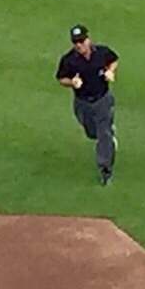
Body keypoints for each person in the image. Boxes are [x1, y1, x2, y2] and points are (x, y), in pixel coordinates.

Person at [55, 25, 119, 185]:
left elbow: (113, 60)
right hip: (82, 103)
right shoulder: (69, 60)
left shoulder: (101, 53)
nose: (79, 45)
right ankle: (108, 136)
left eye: (82, 41)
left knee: (103, 134)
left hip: (102, 100)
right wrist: (72, 82)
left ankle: (105, 170)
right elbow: (61, 78)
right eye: (75, 42)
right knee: (92, 133)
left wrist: (110, 71)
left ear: (88, 39)